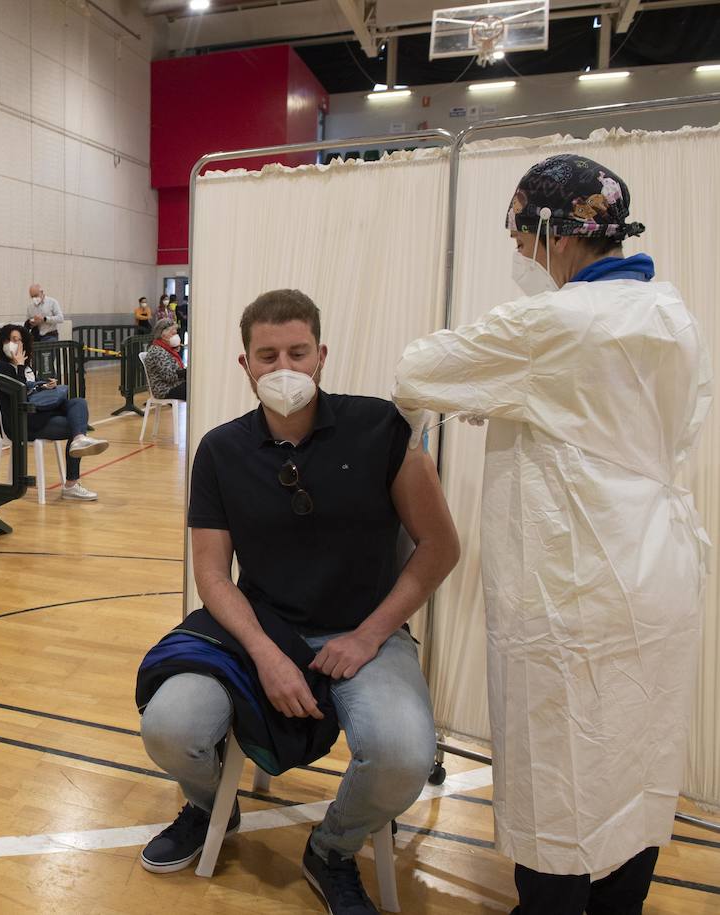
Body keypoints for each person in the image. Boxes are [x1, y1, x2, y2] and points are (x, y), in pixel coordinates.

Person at [393, 154, 712, 915]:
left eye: (522, 235)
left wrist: (496, 394)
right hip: (657, 572)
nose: (520, 255)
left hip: (572, 584)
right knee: (636, 758)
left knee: (559, 774)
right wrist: (509, 398)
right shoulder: (671, 311)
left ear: (553, 229)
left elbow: (419, 370)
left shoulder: (552, 321)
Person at [137, 290, 460, 915]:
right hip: (257, 630)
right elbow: (212, 574)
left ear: (322, 356)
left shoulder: (382, 429)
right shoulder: (221, 451)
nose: (283, 367)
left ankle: (333, 847)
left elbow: (439, 547)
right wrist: (263, 652)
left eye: (297, 352)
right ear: (245, 365)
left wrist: (369, 635)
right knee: (170, 729)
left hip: (368, 632)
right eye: (267, 355)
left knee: (402, 758)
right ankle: (212, 807)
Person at [0, 323, 107, 502]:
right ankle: (71, 484)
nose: (13, 344)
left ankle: (78, 440)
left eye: (17, 340)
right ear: (1, 342)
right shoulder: (1, 367)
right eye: (10, 340)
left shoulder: (27, 367)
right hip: (21, 423)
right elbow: (18, 394)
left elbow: (31, 392)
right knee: (75, 425)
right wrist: (20, 366)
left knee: (78, 402)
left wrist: (43, 385)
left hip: (37, 415)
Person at [143, 317, 186, 400]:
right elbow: (169, 376)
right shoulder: (157, 351)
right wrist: (186, 373)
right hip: (164, 389)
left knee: (196, 386)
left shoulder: (167, 348)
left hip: (174, 384)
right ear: (163, 335)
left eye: (176, 333)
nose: (176, 336)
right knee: (195, 390)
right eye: (173, 334)